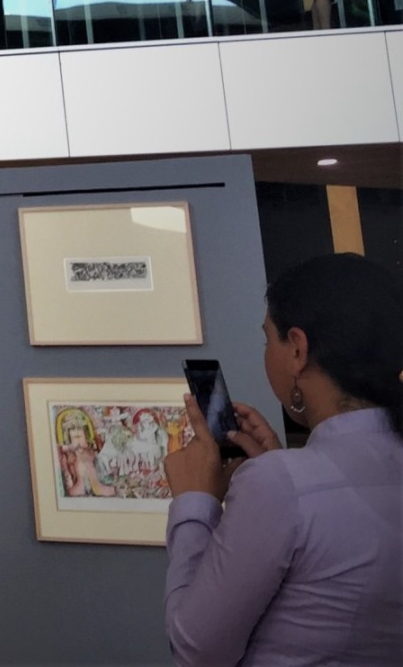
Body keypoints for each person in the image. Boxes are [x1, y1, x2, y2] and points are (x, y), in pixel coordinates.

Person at [163, 253, 403, 665]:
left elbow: (196, 648)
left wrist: (193, 503)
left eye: (267, 339)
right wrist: (282, 469)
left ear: (296, 349)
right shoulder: (286, 481)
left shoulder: (279, 484)